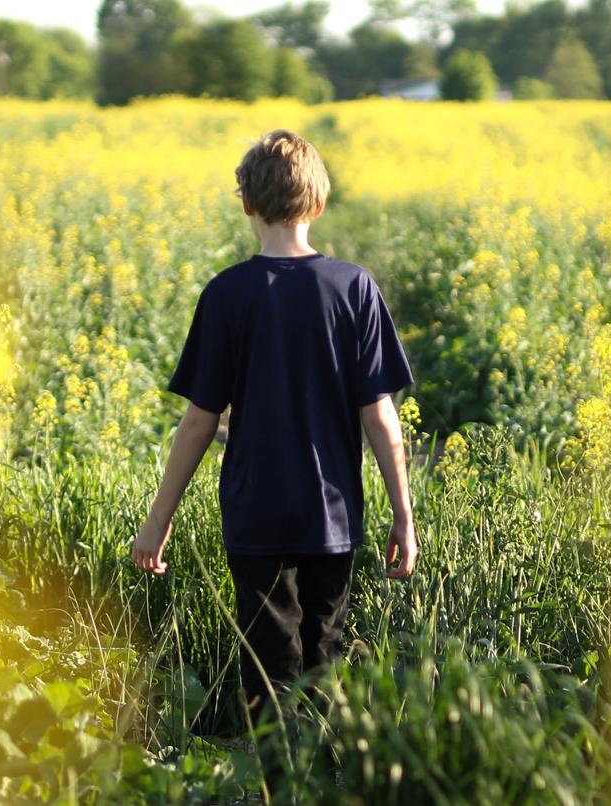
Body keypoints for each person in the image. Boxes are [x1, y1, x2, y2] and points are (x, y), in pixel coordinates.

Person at [130, 129, 418, 802]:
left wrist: (157, 522)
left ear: (246, 206)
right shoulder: (354, 288)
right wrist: (404, 516)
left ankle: (282, 790)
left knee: (270, 668)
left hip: (256, 517)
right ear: (317, 201)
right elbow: (382, 418)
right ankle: (336, 785)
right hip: (336, 518)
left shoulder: (228, 294)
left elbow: (199, 423)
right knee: (330, 658)